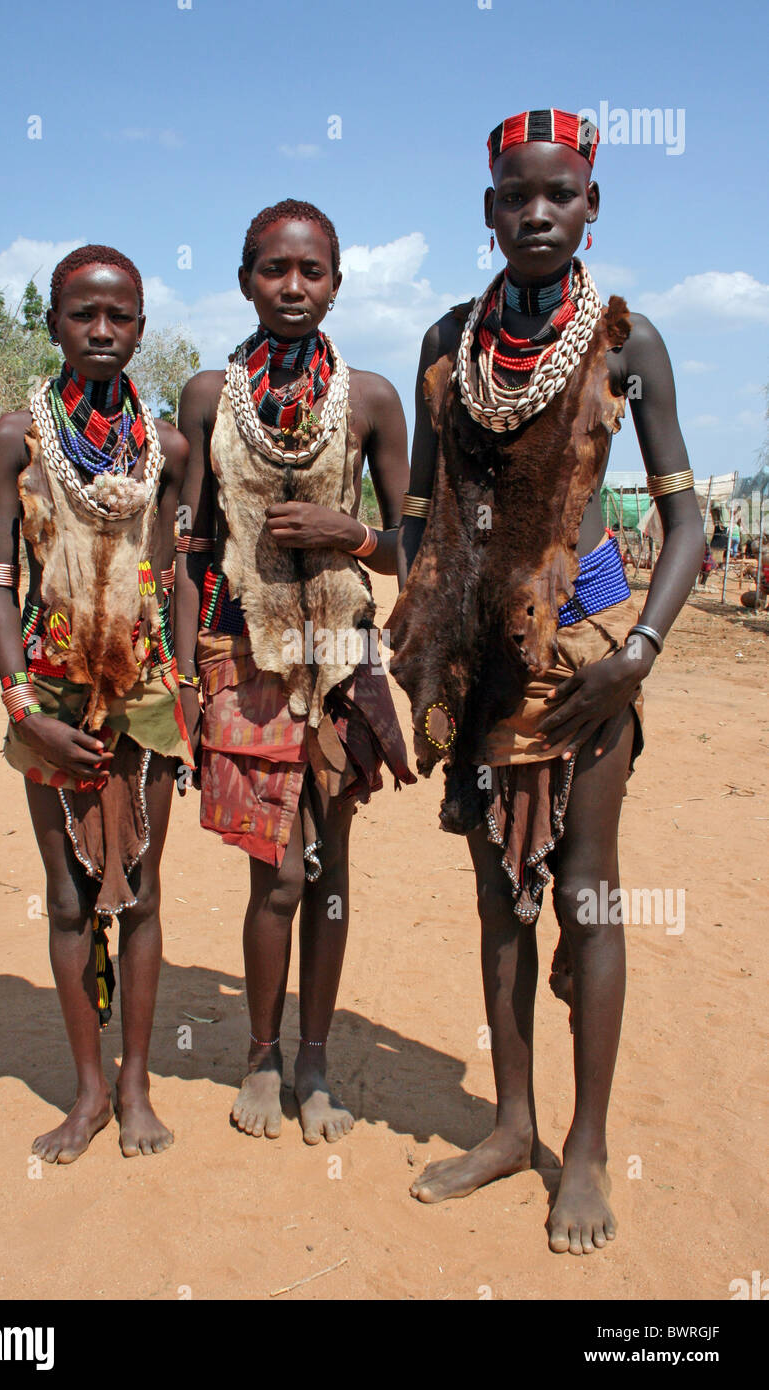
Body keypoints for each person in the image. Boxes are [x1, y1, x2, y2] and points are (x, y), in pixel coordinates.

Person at [388, 111, 704, 1253]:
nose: (535, 213)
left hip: (580, 653)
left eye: (558, 194)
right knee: (496, 900)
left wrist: (636, 656)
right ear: (487, 212)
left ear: (589, 205)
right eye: (515, 196)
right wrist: (398, 635)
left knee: (586, 892)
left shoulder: (627, 342)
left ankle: (583, 1151)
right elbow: (419, 529)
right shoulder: (444, 342)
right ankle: (510, 1125)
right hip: (478, 659)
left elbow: (688, 524)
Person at [175, 200, 413, 1144]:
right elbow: (191, 547)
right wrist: (187, 672)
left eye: (311, 271)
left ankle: (317, 1059)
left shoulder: (371, 400)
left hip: (340, 664)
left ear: (337, 284)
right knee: (274, 874)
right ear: (245, 281)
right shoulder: (205, 395)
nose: (293, 288)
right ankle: (260, 1054)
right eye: (275, 269)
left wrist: (345, 531)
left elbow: (417, 546)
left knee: (330, 863)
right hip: (246, 659)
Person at [0, 246, 191, 1162]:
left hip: (146, 698)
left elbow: (180, 569)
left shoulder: (168, 450)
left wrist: (179, 680)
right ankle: (90, 1091)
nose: (101, 331)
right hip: (51, 692)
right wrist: (24, 707)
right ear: (55, 322)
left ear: (141, 328)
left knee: (138, 894)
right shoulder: (15, 440)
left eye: (120, 316)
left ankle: (139, 1083)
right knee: (68, 901)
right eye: (81, 314)